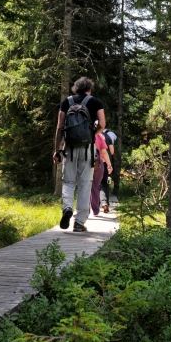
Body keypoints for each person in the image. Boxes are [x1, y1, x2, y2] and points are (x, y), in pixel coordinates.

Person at [53, 77, 105, 232]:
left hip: (69, 148)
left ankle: (67, 207)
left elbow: (59, 127)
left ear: (75, 88)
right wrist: (92, 133)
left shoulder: (66, 102)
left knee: (68, 182)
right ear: (89, 88)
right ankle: (79, 222)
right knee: (85, 183)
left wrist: (57, 150)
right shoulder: (96, 102)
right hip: (87, 148)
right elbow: (102, 124)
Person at [91, 123, 113, 216]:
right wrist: (109, 165)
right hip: (98, 164)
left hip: (84, 163)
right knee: (96, 186)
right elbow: (105, 152)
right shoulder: (101, 136)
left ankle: (84, 210)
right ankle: (95, 210)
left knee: (84, 185)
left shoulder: (86, 134)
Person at [99, 128, 116, 213]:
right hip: (105, 162)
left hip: (92, 163)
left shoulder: (91, 135)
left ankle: (94, 205)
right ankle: (104, 202)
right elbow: (112, 152)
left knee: (93, 184)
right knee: (104, 184)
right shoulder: (107, 136)